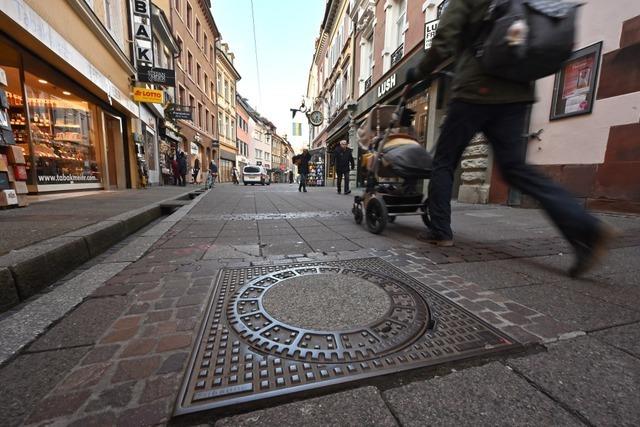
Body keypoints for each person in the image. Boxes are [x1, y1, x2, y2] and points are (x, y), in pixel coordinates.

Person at [404, 0, 615, 277]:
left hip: (473, 90)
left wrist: (415, 74)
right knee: (516, 169)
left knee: (443, 162)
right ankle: (587, 228)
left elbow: (444, 41)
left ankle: (440, 231)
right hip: (517, 94)